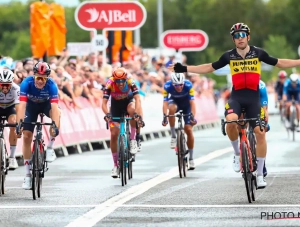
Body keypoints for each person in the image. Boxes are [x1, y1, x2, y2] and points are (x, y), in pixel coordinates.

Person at [169, 22, 300, 189]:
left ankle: (260, 175)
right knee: (230, 121)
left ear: (248, 36)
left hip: (253, 98)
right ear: (233, 40)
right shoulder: (228, 56)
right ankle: (237, 154)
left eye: (242, 34)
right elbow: (209, 67)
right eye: (236, 36)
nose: (240, 38)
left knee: (260, 132)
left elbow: (280, 62)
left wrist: (298, 62)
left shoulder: (258, 53)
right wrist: (185, 68)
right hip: (237, 97)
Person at [16, 62, 60, 190]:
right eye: (38, 77)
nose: (40, 81)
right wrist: (19, 123)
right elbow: (22, 106)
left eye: (43, 78)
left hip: (46, 105)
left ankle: (50, 147)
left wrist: (55, 126)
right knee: (27, 136)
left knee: (58, 115)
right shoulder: (26, 83)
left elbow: (55, 108)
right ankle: (28, 175)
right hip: (31, 107)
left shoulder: (52, 85)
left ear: (47, 78)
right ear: (34, 75)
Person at [102, 68, 144, 178]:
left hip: (128, 101)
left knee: (133, 110)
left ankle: (133, 140)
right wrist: (107, 113)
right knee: (114, 133)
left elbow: (138, 99)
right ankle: (115, 165)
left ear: (125, 79)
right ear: (114, 80)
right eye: (118, 81)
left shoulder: (131, 81)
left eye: (122, 81)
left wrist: (136, 114)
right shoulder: (109, 83)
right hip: (115, 104)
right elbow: (104, 103)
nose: (120, 84)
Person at [162, 73, 197, 169]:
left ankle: (191, 158)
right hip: (174, 102)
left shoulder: (188, 85)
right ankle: (173, 135)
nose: (179, 87)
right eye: (176, 85)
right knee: (171, 109)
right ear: (173, 84)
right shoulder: (167, 86)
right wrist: (165, 116)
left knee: (188, 130)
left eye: (181, 84)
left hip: (187, 106)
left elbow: (192, 103)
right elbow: (165, 103)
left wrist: (193, 116)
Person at [0, 69, 20, 170]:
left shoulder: (16, 88)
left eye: (7, 85)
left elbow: (18, 107)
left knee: (13, 123)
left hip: (10, 107)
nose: (4, 87)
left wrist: (19, 122)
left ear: (11, 83)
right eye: (2, 84)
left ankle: (12, 157)